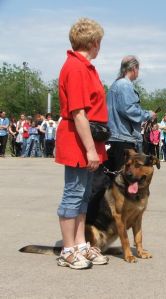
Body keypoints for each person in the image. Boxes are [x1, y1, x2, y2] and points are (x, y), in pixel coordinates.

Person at [55, 18, 109, 269]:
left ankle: (79, 244)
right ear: (94, 42)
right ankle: (67, 250)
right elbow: (78, 113)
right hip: (79, 139)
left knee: (84, 194)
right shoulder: (76, 68)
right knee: (74, 193)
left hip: (88, 138)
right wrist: (89, 149)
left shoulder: (85, 67)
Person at [106, 55, 155, 172]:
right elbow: (128, 110)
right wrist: (148, 114)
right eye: (138, 69)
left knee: (114, 178)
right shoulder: (124, 85)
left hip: (116, 136)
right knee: (124, 178)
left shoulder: (116, 84)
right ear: (134, 69)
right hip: (123, 138)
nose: (138, 72)